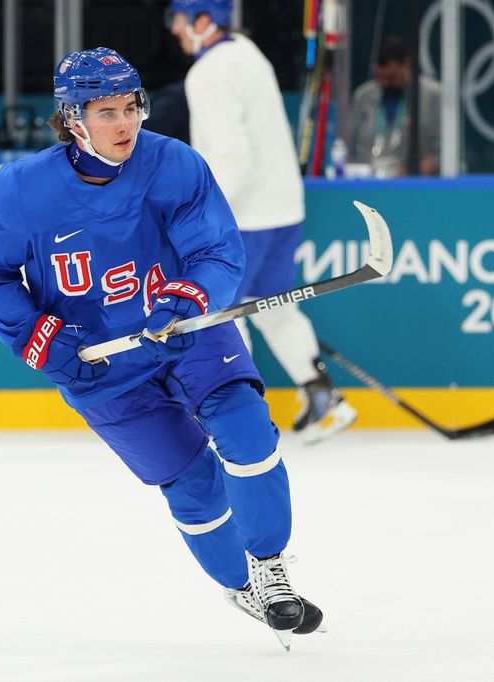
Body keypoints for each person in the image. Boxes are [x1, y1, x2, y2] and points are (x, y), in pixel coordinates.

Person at [0, 47, 323, 650]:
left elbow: (216, 250)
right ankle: (241, 585)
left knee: (247, 427)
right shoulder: (22, 190)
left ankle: (270, 565)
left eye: (132, 107)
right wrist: (39, 338)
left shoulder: (174, 163)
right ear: (72, 118)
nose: (125, 123)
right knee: (193, 482)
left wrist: (190, 295)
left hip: (186, 334)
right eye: (107, 112)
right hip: (101, 369)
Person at [168, 0, 357, 444]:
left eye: (178, 18)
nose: (174, 28)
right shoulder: (249, 53)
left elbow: (232, 155)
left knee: (223, 315)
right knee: (275, 307)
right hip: (282, 207)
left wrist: (202, 216)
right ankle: (322, 396)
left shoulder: (209, 71)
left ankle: (239, 414)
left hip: (245, 215)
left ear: (202, 21)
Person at [348, 34, 442, 177]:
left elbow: (444, 153)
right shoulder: (362, 96)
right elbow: (347, 150)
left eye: (391, 78)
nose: (384, 83)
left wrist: (408, 174)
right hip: (369, 183)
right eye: (379, 77)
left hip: (416, 184)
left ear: (407, 65)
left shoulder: (433, 95)